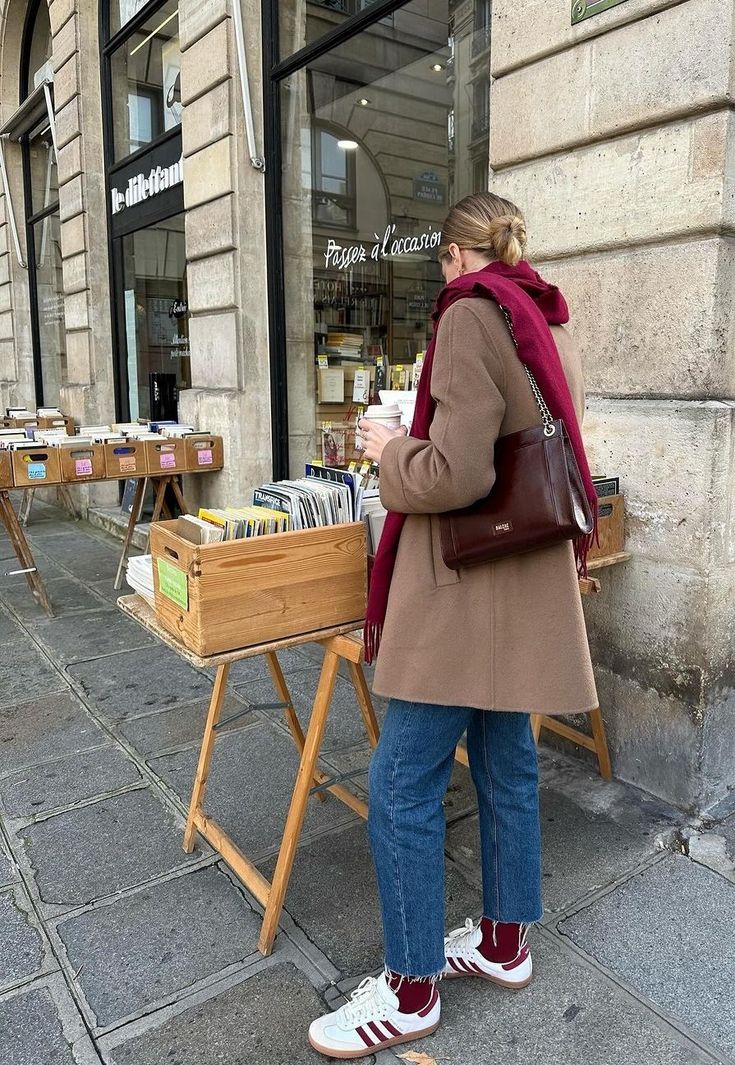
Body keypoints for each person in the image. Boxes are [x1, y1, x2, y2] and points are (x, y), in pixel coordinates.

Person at [308, 192, 598, 1059]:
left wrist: (386, 451)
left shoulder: (469, 316)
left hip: (466, 586)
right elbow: (519, 440)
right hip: (518, 576)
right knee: (506, 762)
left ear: (448, 257)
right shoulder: (538, 314)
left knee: (400, 783)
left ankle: (408, 992)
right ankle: (505, 943)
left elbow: (459, 473)